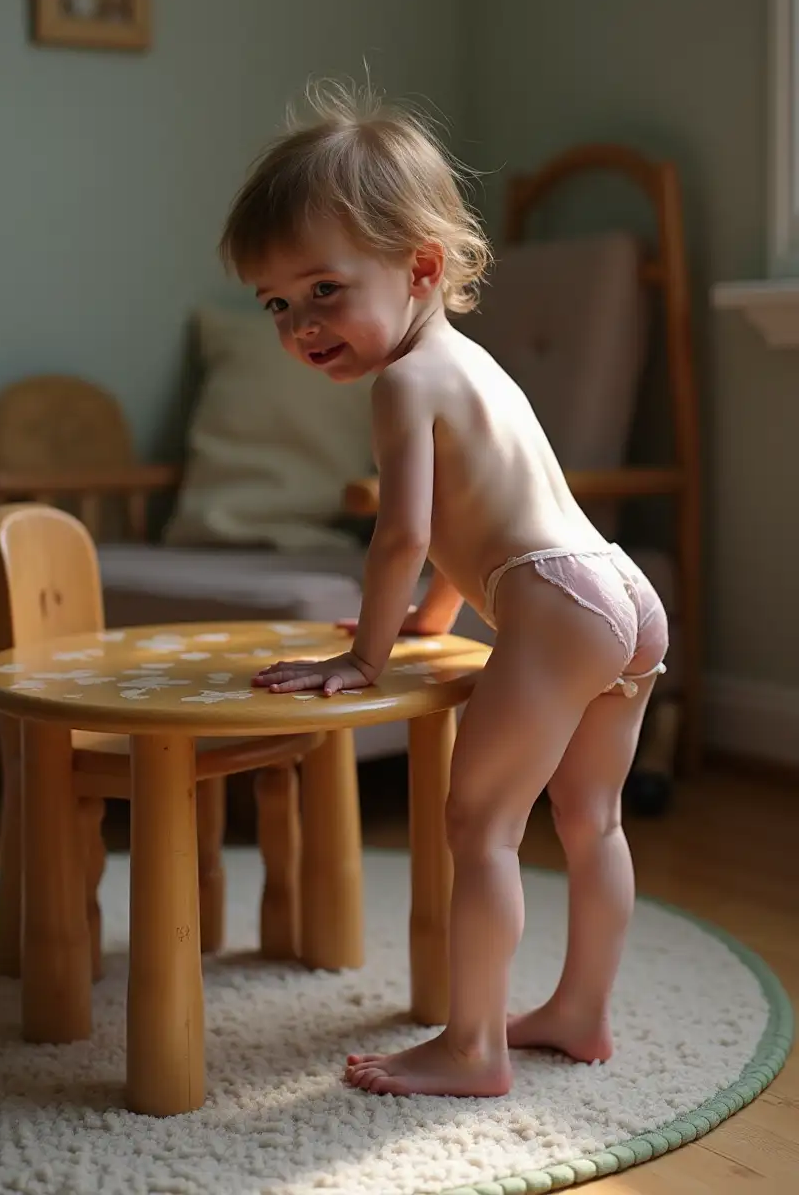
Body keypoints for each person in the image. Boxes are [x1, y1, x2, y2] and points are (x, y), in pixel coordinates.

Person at [218, 81, 669, 1098]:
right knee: (593, 819)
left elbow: (407, 533)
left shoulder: (403, 382)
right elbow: (487, 529)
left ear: (420, 266)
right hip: (618, 589)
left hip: (556, 597)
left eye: (324, 290)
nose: (301, 324)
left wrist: (365, 654)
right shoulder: (472, 364)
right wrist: (432, 619)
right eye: (277, 304)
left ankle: (472, 1046)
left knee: (481, 826)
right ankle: (580, 1012)